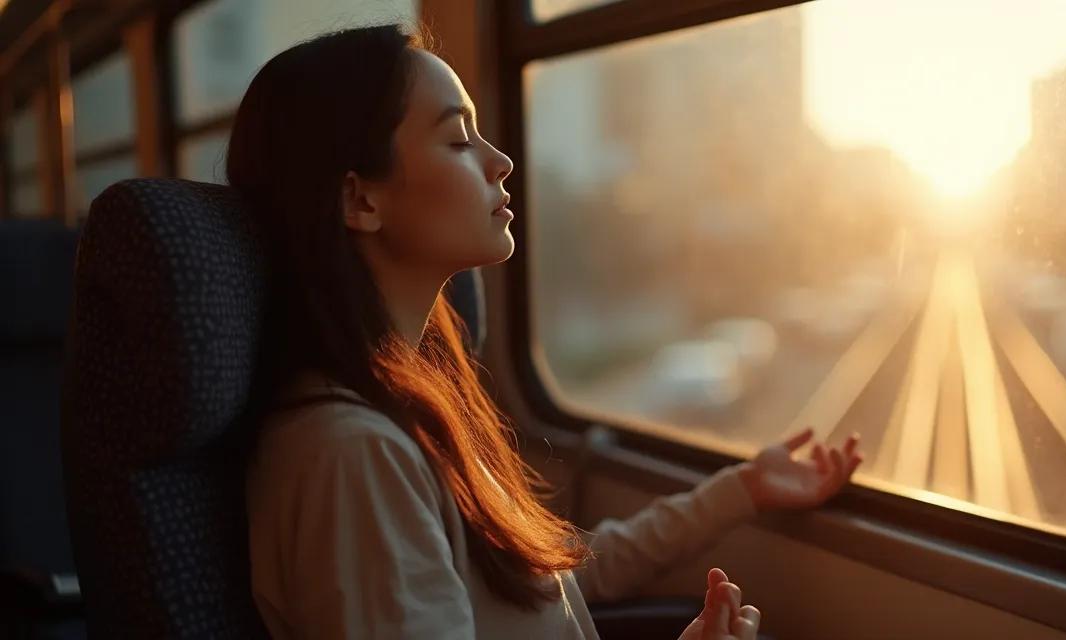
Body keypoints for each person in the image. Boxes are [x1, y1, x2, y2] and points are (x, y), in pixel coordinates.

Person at [232, 24, 864, 640]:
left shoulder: (407, 412)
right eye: (457, 141)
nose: (500, 161)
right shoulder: (350, 459)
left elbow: (541, 584)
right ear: (360, 201)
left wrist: (742, 490)